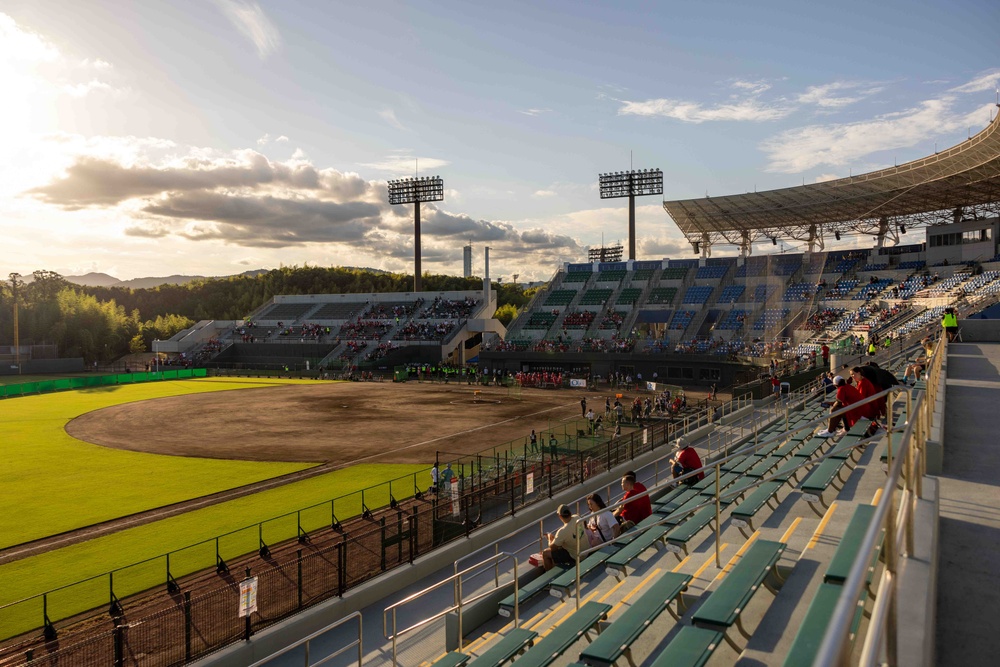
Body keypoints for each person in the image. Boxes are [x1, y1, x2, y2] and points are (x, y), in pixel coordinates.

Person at [542, 504, 584, 570]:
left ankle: (548, 574)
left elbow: (552, 548)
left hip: (576, 556)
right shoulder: (577, 517)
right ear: (570, 512)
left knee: (545, 553)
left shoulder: (562, 531)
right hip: (585, 550)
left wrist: (549, 538)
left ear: (560, 516)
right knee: (559, 549)